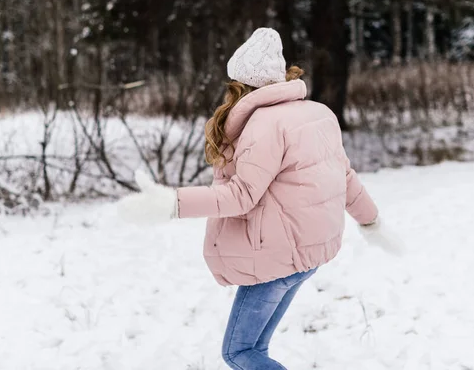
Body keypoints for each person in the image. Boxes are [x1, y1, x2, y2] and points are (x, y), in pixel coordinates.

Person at [118, 28, 403, 369]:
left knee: (240, 352)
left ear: (242, 85)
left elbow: (242, 196)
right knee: (256, 348)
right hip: (308, 255)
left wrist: (171, 203)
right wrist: (372, 222)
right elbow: (346, 178)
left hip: (277, 259)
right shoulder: (318, 113)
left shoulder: (265, 124)